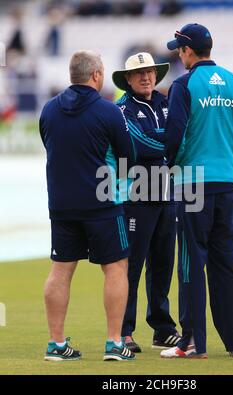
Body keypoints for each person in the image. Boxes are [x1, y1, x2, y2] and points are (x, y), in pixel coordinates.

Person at [161, 24, 233, 358]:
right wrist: (230, 116)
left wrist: (169, 164)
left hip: (192, 184)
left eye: (179, 50)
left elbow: (175, 136)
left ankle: (193, 342)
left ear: (187, 51)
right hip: (228, 183)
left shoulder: (184, 85)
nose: (178, 56)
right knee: (226, 263)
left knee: (190, 263)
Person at [40, 50, 136, 362]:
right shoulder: (109, 111)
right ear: (95, 75)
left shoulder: (49, 110)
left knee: (61, 270)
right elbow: (127, 157)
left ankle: (56, 343)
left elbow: (49, 144)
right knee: (116, 267)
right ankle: (113, 342)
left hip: (62, 204)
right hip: (102, 202)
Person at [112, 52, 181, 352]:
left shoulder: (166, 103)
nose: (146, 77)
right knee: (132, 265)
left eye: (150, 71)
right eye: (139, 73)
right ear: (127, 79)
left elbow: (182, 134)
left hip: (166, 192)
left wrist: (165, 142)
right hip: (136, 195)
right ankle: (124, 330)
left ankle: (162, 327)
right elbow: (137, 145)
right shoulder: (121, 109)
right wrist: (170, 142)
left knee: (163, 263)